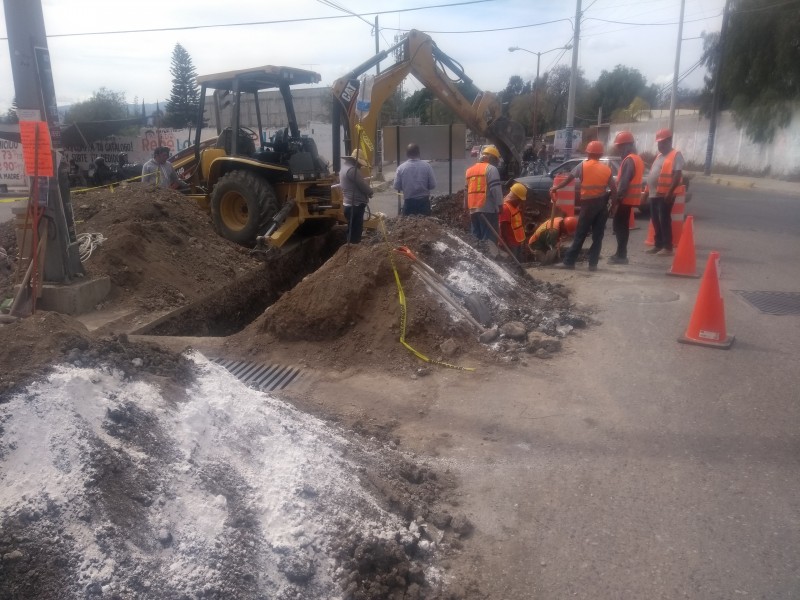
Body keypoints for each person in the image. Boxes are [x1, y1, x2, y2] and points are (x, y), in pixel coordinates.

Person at [550, 140, 617, 271]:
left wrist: (556, 187)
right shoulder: (607, 169)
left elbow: (569, 179)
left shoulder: (583, 166)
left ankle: (569, 262)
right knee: (598, 236)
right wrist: (613, 207)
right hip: (602, 205)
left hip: (588, 205)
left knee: (580, 233)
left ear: (588, 153)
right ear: (600, 154)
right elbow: (614, 190)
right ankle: (593, 264)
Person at [645, 128, 684, 256]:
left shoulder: (676, 155)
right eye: (658, 143)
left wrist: (670, 192)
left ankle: (667, 247)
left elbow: (677, 175)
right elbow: (652, 174)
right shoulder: (659, 156)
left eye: (662, 142)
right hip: (654, 193)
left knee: (664, 220)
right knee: (655, 220)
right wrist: (646, 192)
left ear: (669, 141)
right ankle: (658, 244)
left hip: (665, 194)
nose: (660, 145)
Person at [608, 131, 645, 265]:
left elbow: (624, 183)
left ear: (626, 145)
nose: (618, 150)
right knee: (622, 226)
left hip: (625, 199)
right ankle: (620, 253)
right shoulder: (637, 158)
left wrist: (617, 200)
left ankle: (622, 255)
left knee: (619, 227)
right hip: (630, 199)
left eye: (619, 146)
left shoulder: (629, 160)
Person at [465, 145, 503, 242]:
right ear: (492, 158)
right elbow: (495, 189)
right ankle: (488, 256)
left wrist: (465, 205)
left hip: (473, 208)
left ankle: (476, 255)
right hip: (487, 208)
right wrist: (500, 205)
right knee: (489, 239)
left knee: (476, 236)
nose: (497, 163)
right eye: (496, 160)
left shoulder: (469, 170)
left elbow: (466, 190)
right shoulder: (491, 169)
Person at [393, 143, 436, 216]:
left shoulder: (401, 168)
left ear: (407, 154)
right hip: (424, 204)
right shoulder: (427, 166)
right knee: (426, 225)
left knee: (408, 225)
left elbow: (396, 186)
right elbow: (432, 185)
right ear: (419, 153)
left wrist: (406, 187)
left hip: (409, 204)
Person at [340, 149, 373, 243]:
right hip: (355, 205)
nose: (360, 165)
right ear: (356, 161)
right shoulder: (352, 170)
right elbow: (362, 184)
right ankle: (353, 249)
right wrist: (370, 192)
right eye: (360, 163)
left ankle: (350, 247)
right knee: (356, 231)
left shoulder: (344, 167)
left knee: (351, 228)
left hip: (348, 204)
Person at [498, 182, 527, 259]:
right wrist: (508, 245)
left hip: (516, 241)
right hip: (510, 243)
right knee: (513, 264)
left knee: (518, 262)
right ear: (514, 197)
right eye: (519, 200)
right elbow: (503, 228)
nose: (520, 202)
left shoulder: (514, 206)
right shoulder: (505, 208)